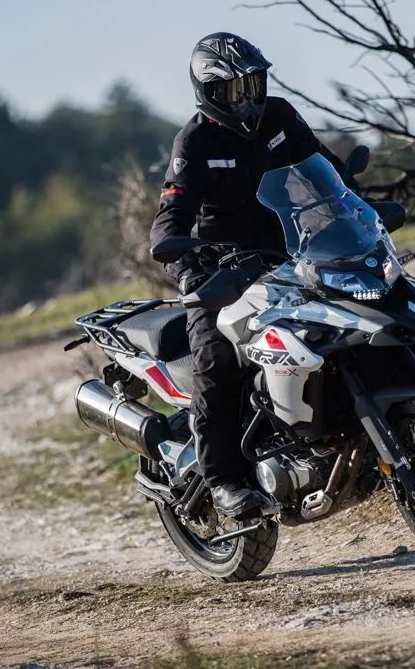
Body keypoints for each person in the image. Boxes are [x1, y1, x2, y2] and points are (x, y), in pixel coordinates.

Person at [149, 32, 354, 517]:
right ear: (209, 93)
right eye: (235, 90)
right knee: (218, 360)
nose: (250, 99)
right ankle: (222, 478)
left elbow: (326, 167)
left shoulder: (279, 117)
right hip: (225, 269)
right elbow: (170, 215)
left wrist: (361, 206)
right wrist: (186, 270)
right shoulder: (194, 143)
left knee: (354, 317)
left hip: (291, 252)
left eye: (255, 84)